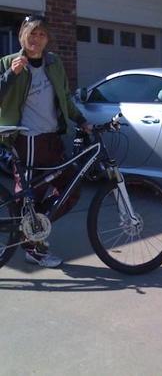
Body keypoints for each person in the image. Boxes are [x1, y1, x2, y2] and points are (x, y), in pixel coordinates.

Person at [0, 14, 92, 268]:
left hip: (52, 137)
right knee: (31, 194)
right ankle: (33, 247)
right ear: (22, 35)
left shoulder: (54, 63)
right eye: (32, 33)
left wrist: (81, 120)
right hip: (27, 139)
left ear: (47, 38)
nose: (36, 39)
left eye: (41, 34)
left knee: (70, 189)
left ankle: (34, 229)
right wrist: (10, 74)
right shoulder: (9, 62)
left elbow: (64, 96)